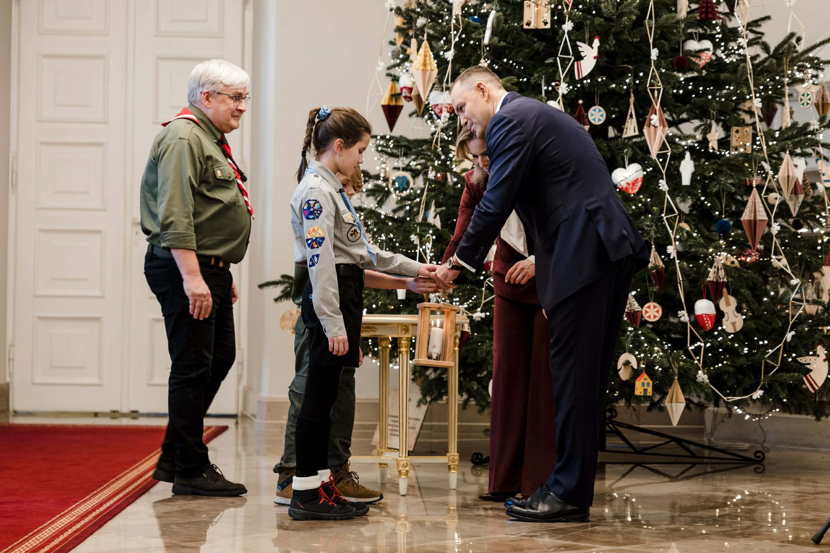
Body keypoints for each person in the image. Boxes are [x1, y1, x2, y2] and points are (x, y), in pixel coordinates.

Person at [435, 66, 649, 522]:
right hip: (603, 247)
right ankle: (571, 490)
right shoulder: (535, 115)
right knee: (584, 379)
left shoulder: (510, 120)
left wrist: (457, 264)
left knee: (572, 379)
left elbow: (496, 200)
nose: (462, 119)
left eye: (461, 107)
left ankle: (566, 493)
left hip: (583, 253)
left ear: (482, 90)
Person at [289, 105, 440, 521]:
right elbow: (321, 263)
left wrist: (414, 269)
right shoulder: (316, 192)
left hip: (345, 294)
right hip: (331, 301)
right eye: (359, 151)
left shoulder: (331, 189)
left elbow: (362, 254)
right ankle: (304, 494)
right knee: (318, 400)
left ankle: (320, 485)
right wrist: (333, 323)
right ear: (338, 146)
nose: (360, 160)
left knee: (327, 400)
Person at [141, 59, 252, 496]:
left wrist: (219, 268)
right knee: (192, 366)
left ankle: (175, 453)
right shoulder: (185, 137)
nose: (242, 106)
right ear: (206, 97)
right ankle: (190, 468)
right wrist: (193, 276)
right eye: (235, 98)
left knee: (218, 357)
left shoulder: (209, 138)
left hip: (209, 267)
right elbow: (176, 212)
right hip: (185, 267)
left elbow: (208, 207)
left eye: (244, 98)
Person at [444, 128, 556, 502]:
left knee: (542, 381)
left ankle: (537, 483)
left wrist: (540, 261)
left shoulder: (536, 173)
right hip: (507, 280)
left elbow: (563, 224)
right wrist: (446, 269)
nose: (482, 164)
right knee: (507, 377)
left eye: (486, 155)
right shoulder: (475, 181)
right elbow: (465, 229)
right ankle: (504, 480)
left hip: (548, 278)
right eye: (474, 157)